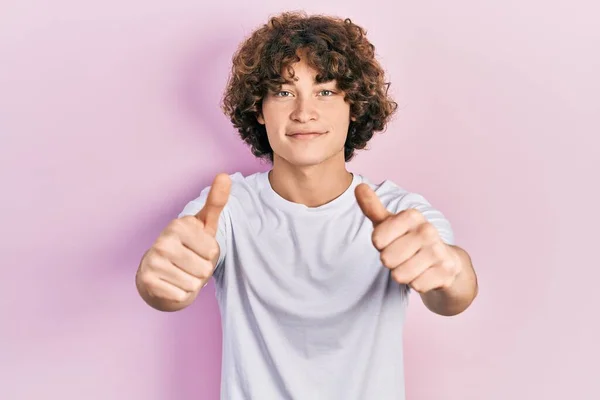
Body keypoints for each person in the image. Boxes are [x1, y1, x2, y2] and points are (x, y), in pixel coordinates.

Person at [135, 11, 478, 399]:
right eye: (283, 91)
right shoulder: (227, 208)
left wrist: (449, 271)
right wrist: (158, 280)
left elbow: (453, 292)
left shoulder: (399, 212)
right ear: (259, 110)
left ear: (355, 106)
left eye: (326, 91)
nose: (303, 111)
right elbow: (166, 284)